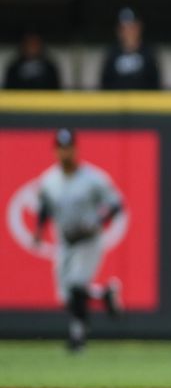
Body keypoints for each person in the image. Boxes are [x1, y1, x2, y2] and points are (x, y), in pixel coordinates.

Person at [34, 129, 124, 352]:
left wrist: (100, 220)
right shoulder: (48, 180)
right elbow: (44, 207)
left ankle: (78, 338)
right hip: (65, 241)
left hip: (88, 239)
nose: (65, 152)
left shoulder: (93, 178)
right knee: (66, 296)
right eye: (61, 147)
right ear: (55, 150)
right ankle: (104, 294)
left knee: (75, 286)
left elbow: (116, 203)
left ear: (76, 149)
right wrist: (38, 230)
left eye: (69, 147)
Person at [100, 8, 161, 90]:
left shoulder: (148, 53)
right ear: (119, 31)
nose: (128, 32)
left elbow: (155, 84)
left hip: (143, 101)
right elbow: (105, 84)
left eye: (132, 27)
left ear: (139, 28)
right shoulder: (112, 53)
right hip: (117, 101)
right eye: (124, 28)